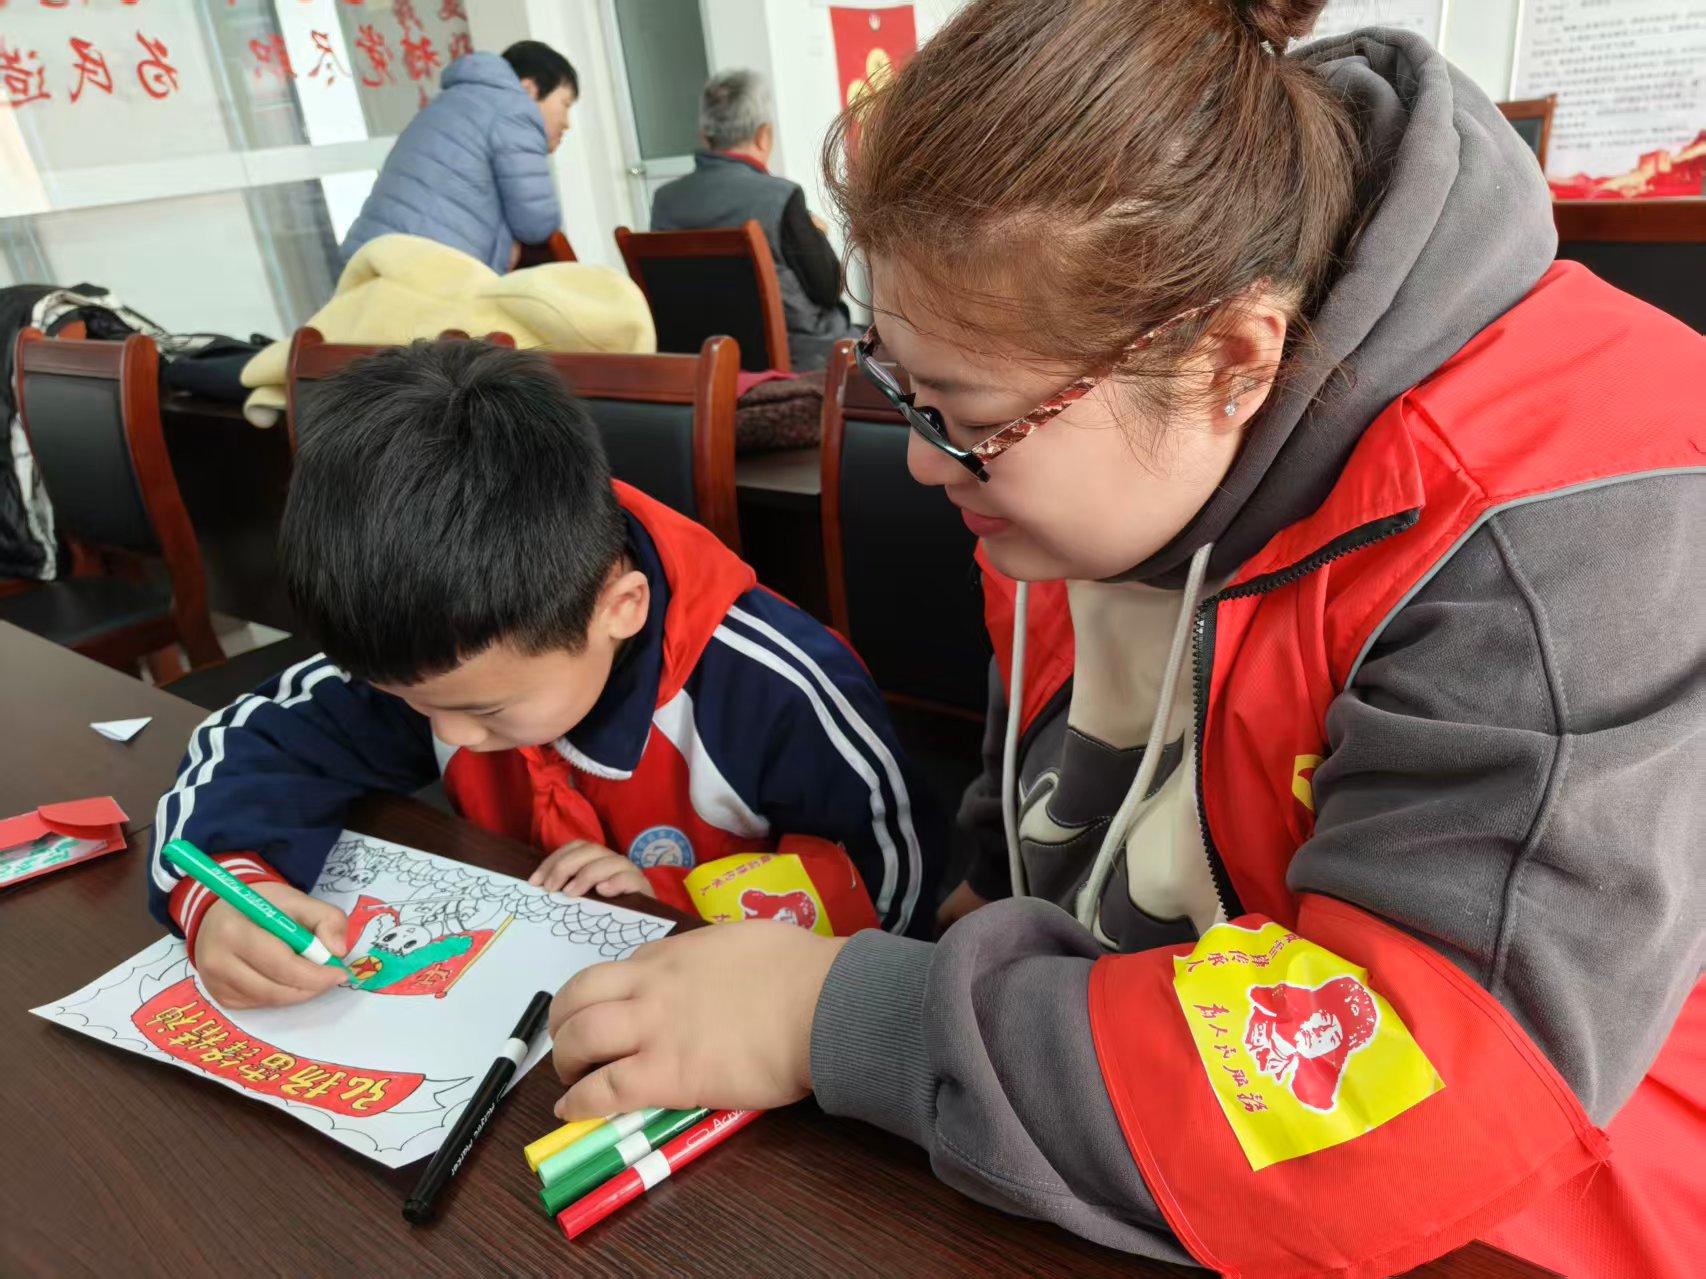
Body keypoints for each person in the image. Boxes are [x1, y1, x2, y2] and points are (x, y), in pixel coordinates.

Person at [543, 4, 1705, 1277]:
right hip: (1123, 1135)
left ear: (1231, 360)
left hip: (1511, 1220)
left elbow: (1411, 1093)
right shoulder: (1074, 472)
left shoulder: (1561, 528)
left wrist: (845, 1017)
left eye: (963, 415)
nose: (926, 463)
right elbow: (1028, 845)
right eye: (900, 388)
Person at [146, 341, 941, 1009]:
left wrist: (670, 897)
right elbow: (257, 739)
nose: (451, 735)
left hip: (729, 1024)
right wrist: (225, 889)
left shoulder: (774, 687)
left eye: (489, 711)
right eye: (410, 703)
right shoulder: (442, 647)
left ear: (620, 609)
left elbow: (891, 889)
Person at [650, 69, 857, 370]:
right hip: (795, 358)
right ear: (763, 135)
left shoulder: (664, 201)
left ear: (705, 136)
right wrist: (818, 236)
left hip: (702, 360)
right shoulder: (780, 197)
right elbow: (828, 288)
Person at [341, 41, 577, 274]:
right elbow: (536, 223)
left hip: (364, 264)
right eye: (565, 104)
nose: (566, 123)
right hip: (421, 274)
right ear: (529, 89)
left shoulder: (449, 102)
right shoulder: (515, 110)